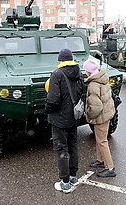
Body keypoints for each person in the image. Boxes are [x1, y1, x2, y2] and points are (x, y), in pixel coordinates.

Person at [45, 48, 83, 193]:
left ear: (60, 60)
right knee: (73, 146)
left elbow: (53, 100)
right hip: (73, 116)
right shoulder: (78, 72)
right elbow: (79, 92)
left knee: (61, 149)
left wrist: (47, 108)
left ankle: (64, 182)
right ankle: (73, 176)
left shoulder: (57, 74)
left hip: (59, 118)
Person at [83, 59, 116, 177]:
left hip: (101, 116)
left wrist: (89, 116)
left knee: (102, 141)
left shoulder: (93, 84)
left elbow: (96, 107)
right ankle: (100, 160)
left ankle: (110, 168)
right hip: (107, 113)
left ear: (88, 71)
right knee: (100, 138)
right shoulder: (102, 78)